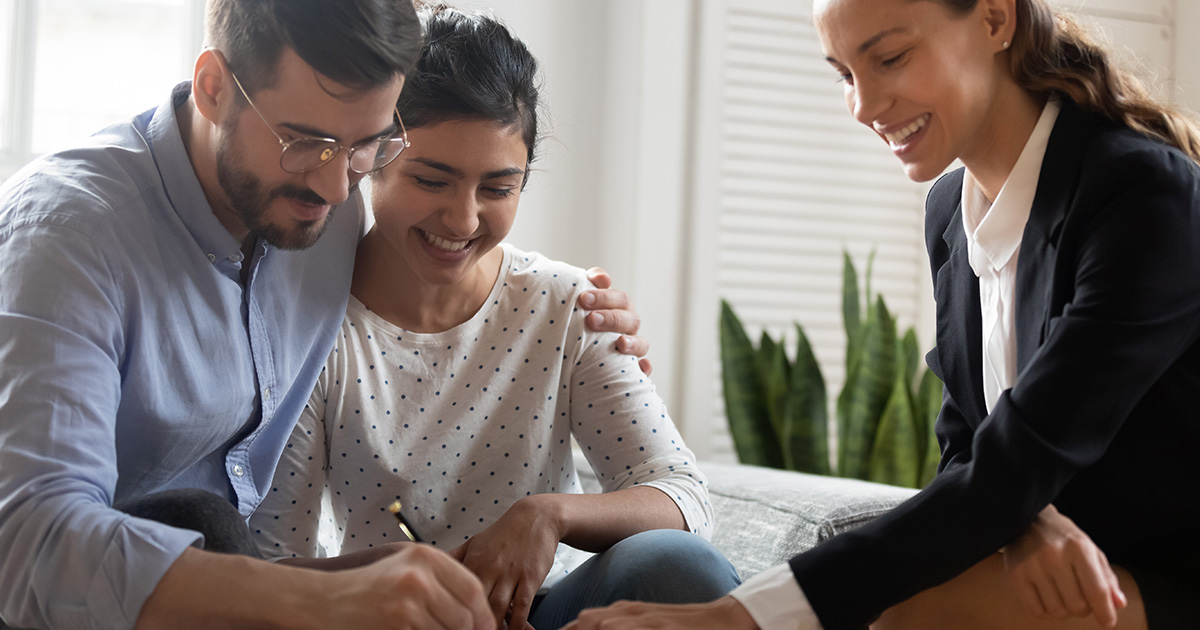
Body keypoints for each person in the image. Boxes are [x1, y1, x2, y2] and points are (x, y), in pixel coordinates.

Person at [0, 1, 647, 628]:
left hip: (236, 581)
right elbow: (29, 543)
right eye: (307, 142)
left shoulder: (322, 209)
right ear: (213, 86)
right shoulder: (67, 236)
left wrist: (575, 304)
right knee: (198, 517)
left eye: (368, 145)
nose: (339, 190)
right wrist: (313, 602)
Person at [567, 0, 1200, 629]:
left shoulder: (1142, 194)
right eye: (846, 74)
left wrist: (737, 616)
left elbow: (1033, 443)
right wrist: (1025, 521)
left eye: (890, 58)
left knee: (907, 610)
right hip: (1077, 563)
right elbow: (968, 446)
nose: (864, 107)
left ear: (995, 20)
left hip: (1170, 573)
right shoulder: (951, 211)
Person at [248, 6, 741, 630]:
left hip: (543, 615)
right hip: (383, 616)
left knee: (676, 565)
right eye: (432, 180)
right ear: (373, 156)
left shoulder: (567, 306)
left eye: (498, 189)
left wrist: (546, 515)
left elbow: (682, 495)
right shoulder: (311, 330)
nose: (462, 220)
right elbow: (274, 565)